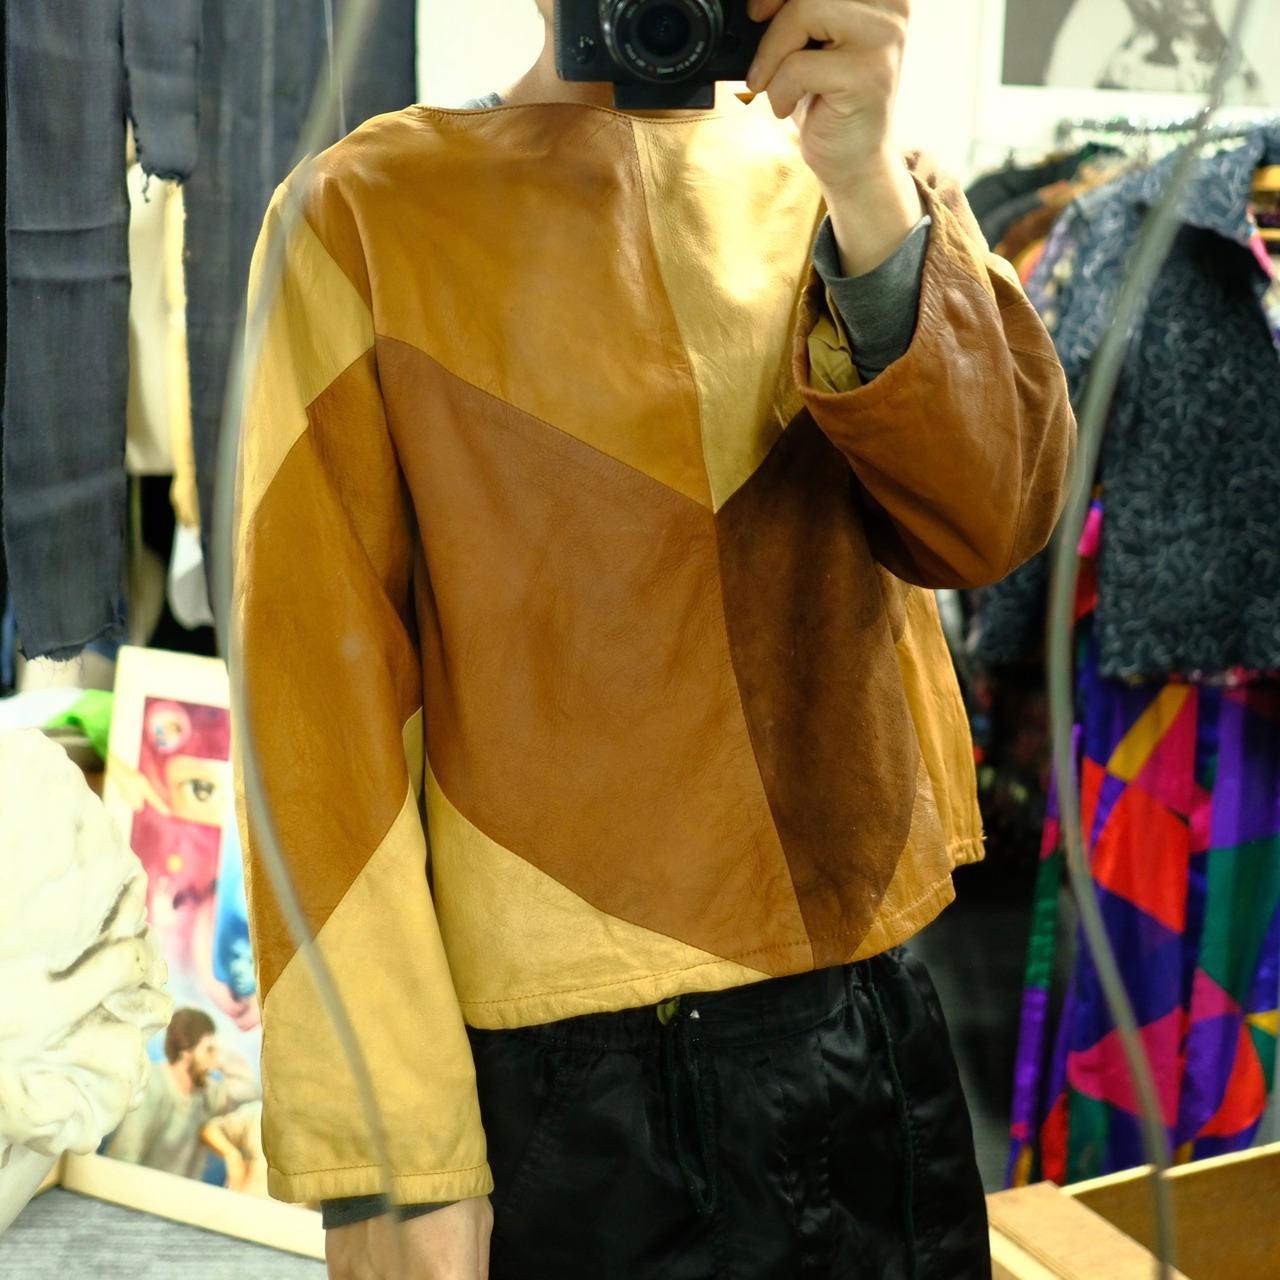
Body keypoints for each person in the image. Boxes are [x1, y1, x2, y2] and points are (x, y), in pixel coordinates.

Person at [233, 0, 1075, 1276]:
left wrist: (865, 182)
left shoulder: (841, 174)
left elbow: (991, 524)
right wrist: (392, 1161)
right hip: (577, 1077)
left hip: (867, 1013)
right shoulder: (366, 211)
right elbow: (317, 714)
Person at [104, 1008, 261, 1180]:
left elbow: (249, 1091)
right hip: (138, 1190)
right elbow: (124, 1157)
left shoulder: (204, 1094)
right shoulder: (153, 1085)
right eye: (209, 1050)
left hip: (179, 1195)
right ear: (186, 1051)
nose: (214, 1060)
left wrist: (223, 1055)